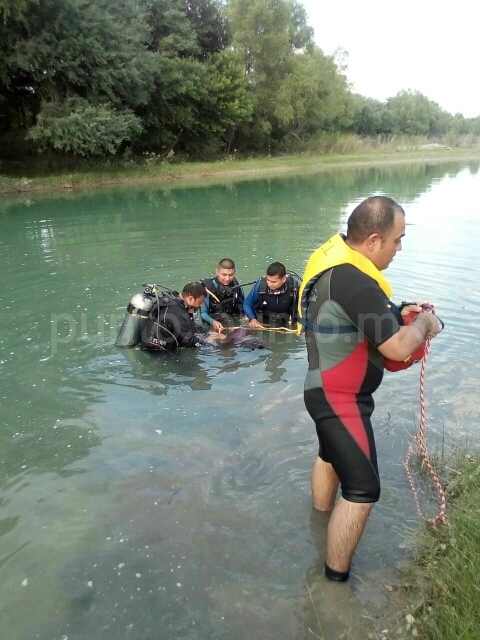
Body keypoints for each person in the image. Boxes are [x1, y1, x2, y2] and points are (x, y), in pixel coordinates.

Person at [298, 196, 443, 582]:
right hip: (341, 400)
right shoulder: (356, 281)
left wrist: (397, 313)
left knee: (329, 455)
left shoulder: (335, 263)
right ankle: (334, 585)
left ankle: (320, 520)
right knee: (364, 490)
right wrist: (426, 324)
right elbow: (396, 348)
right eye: (398, 239)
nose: (400, 248)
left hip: (320, 389)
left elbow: (357, 313)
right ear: (374, 240)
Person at [141, 281, 207, 351]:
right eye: (200, 302)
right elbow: (189, 341)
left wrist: (206, 332)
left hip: (149, 343)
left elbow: (188, 323)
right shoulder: (177, 311)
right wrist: (208, 343)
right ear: (191, 298)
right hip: (157, 352)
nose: (201, 305)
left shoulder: (174, 298)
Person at [243, 262, 299, 328]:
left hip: (286, 323)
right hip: (263, 322)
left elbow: (304, 309)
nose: (269, 284)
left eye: (273, 282)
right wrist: (252, 318)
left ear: (283, 279)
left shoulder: (294, 288)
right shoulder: (261, 286)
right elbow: (247, 303)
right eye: (268, 280)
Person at [200, 258, 245, 333]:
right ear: (217, 272)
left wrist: (245, 316)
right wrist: (212, 322)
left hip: (232, 321)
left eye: (231, 275)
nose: (227, 279)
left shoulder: (236, 285)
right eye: (224, 275)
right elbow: (203, 313)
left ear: (235, 273)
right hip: (212, 322)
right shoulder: (208, 288)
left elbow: (243, 304)